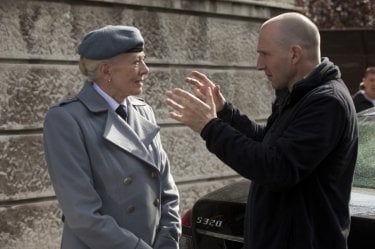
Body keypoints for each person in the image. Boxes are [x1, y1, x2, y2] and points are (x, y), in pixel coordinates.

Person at [166, 12, 358, 249]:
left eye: (264, 54)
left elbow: (276, 169)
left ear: (294, 54)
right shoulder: (298, 95)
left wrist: (210, 127)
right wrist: (224, 112)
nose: (259, 65)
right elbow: (266, 144)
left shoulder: (327, 102)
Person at [43, 25, 180, 249]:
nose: (145, 69)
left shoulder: (143, 111)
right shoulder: (66, 119)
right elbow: (82, 214)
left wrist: (167, 241)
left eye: (144, 60)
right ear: (106, 70)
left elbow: (167, 191)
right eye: (136, 62)